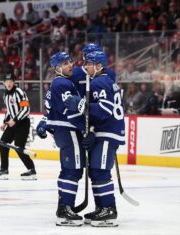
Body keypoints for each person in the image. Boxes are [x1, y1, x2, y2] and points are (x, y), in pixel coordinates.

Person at [65, 51, 125, 227]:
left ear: (99, 66)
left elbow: (105, 110)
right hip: (106, 132)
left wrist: (82, 105)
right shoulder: (105, 81)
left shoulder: (99, 82)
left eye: (90, 63)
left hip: (107, 133)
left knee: (100, 171)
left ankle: (109, 209)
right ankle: (101, 208)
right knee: (95, 171)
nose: (86, 66)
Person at [36, 52, 86, 226]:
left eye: (70, 61)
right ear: (57, 67)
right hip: (69, 132)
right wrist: (86, 129)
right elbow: (71, 110)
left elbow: (51, 111)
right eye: (65, 63)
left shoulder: (57, 83)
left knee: (68, 170)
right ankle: (65, 209)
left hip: (62, 132)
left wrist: (45, 124)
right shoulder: (63, 84)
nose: (70, 65)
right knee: (73, 170)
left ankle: (64, 206)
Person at [0, 73, 36, 180]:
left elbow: (26, 109)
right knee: (3, 143)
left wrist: (15, 120)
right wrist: (5, 122)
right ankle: (4, 169)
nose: (8, 83)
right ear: (3, 83)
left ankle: (31, 170)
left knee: (18, 147)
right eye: (6, 81)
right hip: (12, 123)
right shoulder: (5, 95)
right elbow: (9, 110)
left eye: (10, 81)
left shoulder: (20, 93)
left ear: (14, 82)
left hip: (22, 123)